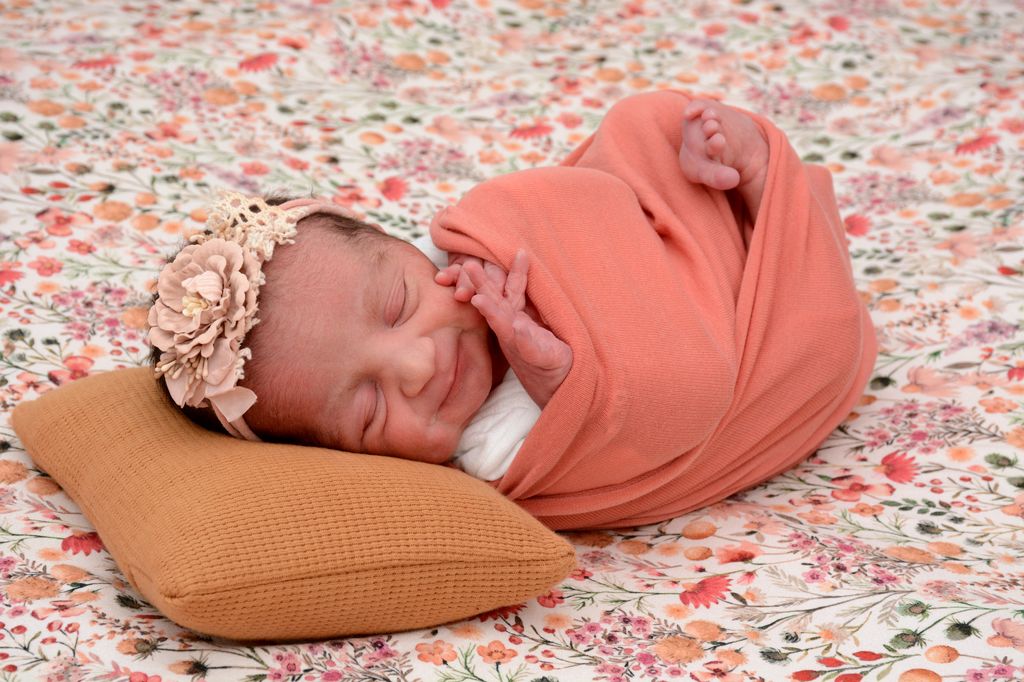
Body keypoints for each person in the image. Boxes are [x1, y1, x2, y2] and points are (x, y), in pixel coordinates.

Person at [146, 97, 770, 480]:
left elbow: (577, 204)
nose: (417, 367)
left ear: (401, 245)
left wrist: (497, 239)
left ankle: (739, 180)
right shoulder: (492, 448)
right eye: (368, 409)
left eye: (398, 306)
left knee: (639, 126)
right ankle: (763, 191)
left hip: (675, 237)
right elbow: (659, 423)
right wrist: (559, 382)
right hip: (747, 328)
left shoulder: (461, 253)